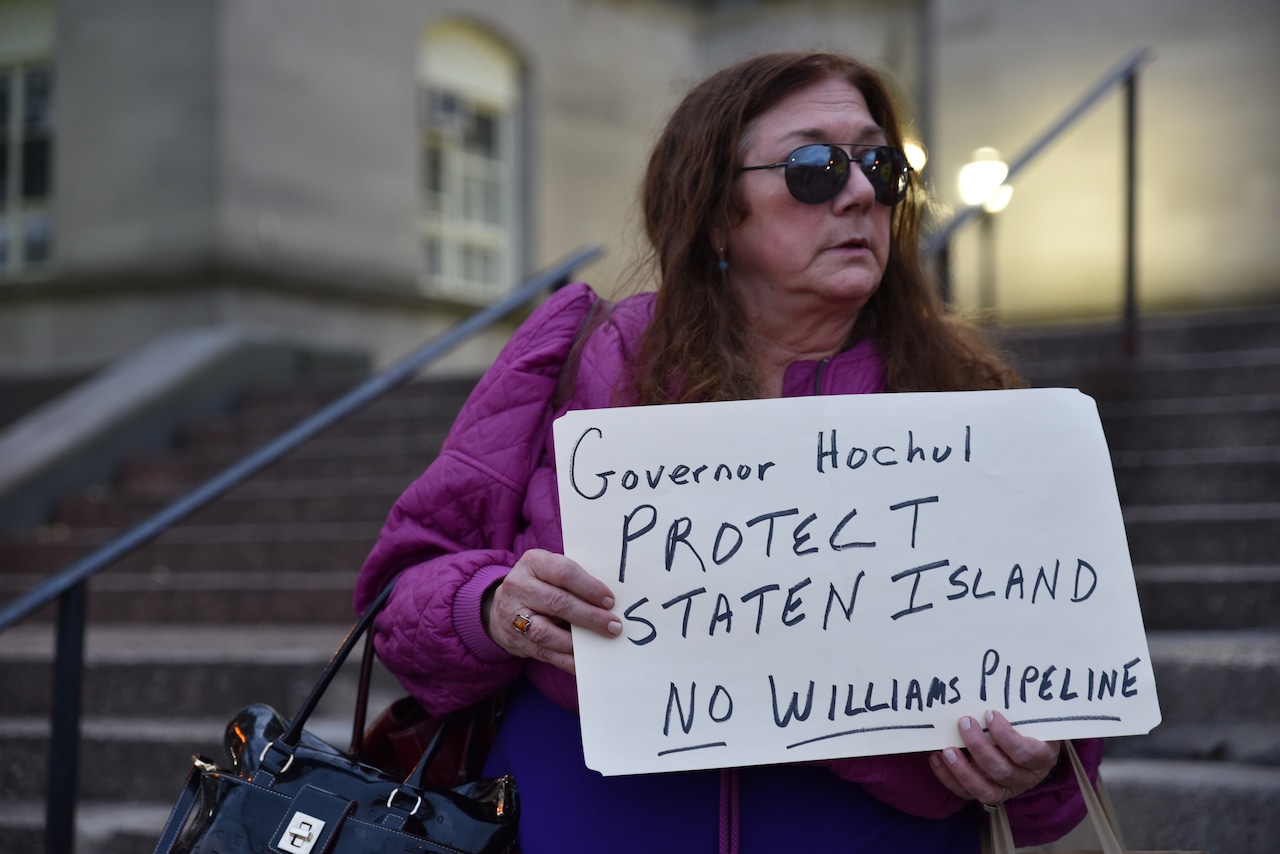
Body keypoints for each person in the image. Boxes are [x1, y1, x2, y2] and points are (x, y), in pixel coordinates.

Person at [354, 51, 1101, 853]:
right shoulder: (581, 353)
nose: (859, 193)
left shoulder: (973, 406)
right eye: (815, 165)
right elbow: (402, 595)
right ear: (714, 210)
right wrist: (493, 607)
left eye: (879, 165)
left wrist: (1039, 762)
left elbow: (1058, 712)